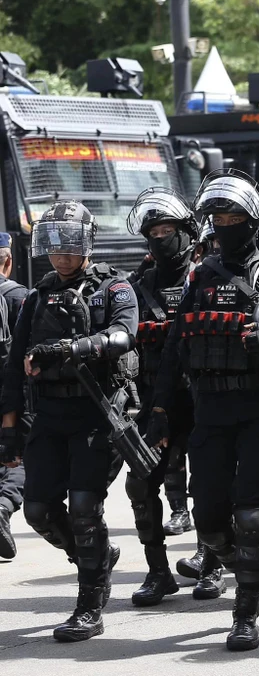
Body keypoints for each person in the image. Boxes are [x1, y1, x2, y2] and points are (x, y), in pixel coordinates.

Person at [148, 170, 259, 651]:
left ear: (251, 222)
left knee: (250, 515)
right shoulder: (199, 277)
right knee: (208, 521)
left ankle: (246, 611)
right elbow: (174, 349)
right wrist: (161, 409)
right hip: (210, 412)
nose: (224, 225)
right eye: (217, 217)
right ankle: (243, 562)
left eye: (233, 217)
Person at [0, 202, 138, 642]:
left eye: (70, 244)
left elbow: (123, 335)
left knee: (84, 507)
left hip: (97, 412)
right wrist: (8, 427)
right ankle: (95, 556)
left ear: (87, 244)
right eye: (54, 244)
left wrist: (75, 348)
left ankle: (89, 606)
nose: (61, 254)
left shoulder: (113, 286)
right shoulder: (36, 296)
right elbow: (12, 367)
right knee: (39, 510)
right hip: (49, 415)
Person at [124, 188, 226, 606]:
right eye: (153, 232)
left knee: (209, 482)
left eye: (168, 230)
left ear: (188, 233)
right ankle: (157, 571)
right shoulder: (136, 284)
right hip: (151, 399)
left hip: (204, 395)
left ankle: (212, 562)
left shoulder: (211, 277)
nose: (161, 238)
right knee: (141, 484)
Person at [0, 232, 29, 560]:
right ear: (9, 261)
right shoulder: (21, 296)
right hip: (13, 394)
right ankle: (4, 506)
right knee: (18, 459)